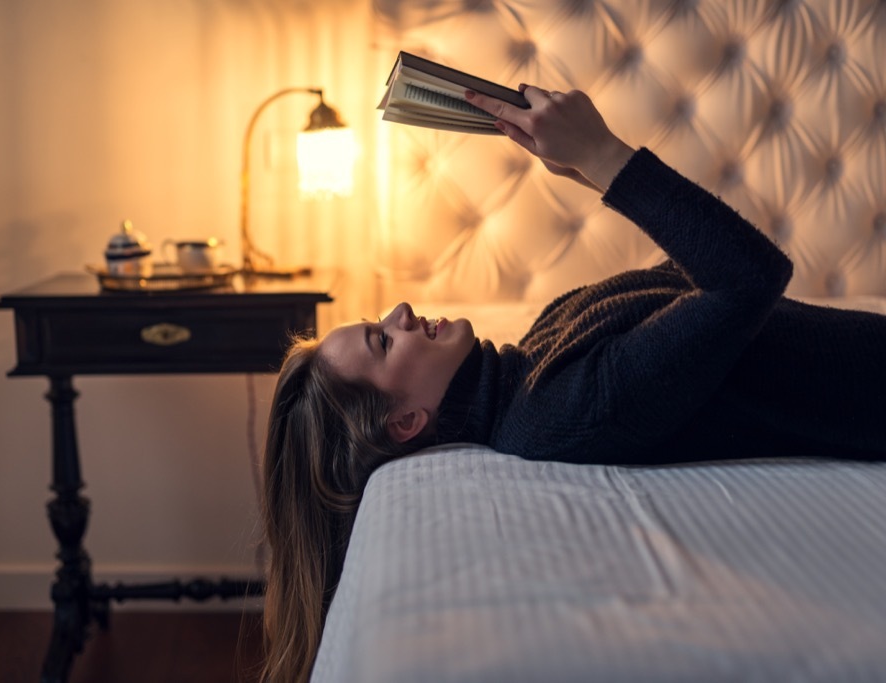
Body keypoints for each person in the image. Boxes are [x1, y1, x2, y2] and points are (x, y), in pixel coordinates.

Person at [258, 85, 886, 682]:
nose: (399, 313)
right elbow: (748, 275)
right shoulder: (559, 409)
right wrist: (605, 156)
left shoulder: (530, 356)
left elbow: (703, 275)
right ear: (405, 423)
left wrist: (586, 172)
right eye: (382, 341)